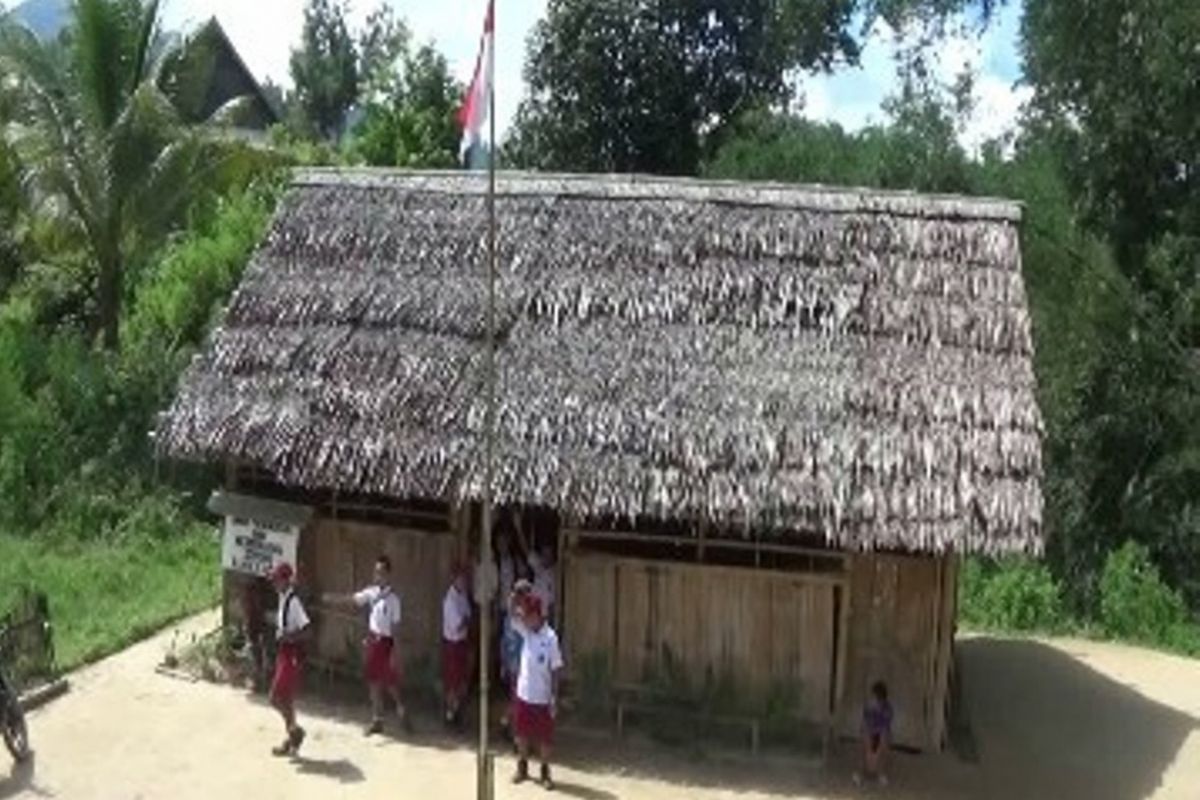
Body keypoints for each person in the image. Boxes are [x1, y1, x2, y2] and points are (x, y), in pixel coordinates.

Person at [323, 555, 408, 735]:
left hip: (386, 643)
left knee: (390, 682)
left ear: (388, 574)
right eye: (376, 572)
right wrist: (332, 599)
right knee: (373, 681)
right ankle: (377, 719)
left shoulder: (394, 600)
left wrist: (395, 652)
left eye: (381, 572)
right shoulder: (372, 593)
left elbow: (396, 628)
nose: (378, 575)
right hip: (373, 640)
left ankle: (402, 710)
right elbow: (353, 599)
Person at [509, 591, 564, 790]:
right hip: (524, 694)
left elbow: (556, 669)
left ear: (538, 615)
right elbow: (512, 615)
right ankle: (522, 768)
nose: (526, 620)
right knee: (521, 734)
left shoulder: (551, 638)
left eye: (529, 616)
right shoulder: (526, 631)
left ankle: (545, 772)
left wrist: (554, 696)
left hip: (542, 696)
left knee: (545, 738)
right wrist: (515, 597)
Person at [268, 562, 309, 757]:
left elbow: (307, 630)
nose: (274, 582)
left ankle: (294, 730)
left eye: (277, 579)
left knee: (275, 698)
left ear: (286, 580)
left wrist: (288, 637)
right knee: (286, 699)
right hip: (283, 652)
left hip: (291, 654)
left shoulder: (294, 602)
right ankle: (291, 739)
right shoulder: (283, 597)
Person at [498, 574, 534, 741]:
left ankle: (507, 724)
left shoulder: (514, 616)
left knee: (517, 699)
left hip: (517, 663)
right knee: (518, 700)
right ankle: (514, 733)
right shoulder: (516, 618)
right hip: (518, 664)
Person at [442, 564, 473, 728]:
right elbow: (460, 624)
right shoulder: (450, 600)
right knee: (453, 683)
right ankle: (449, 715)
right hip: (453, 645)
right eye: (460, 578)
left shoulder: (462, 595)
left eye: (465, 579)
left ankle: (457, 713)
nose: (463, 581)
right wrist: (467, 620)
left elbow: (468, 616)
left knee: (462, 681)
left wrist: (467, 620)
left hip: (462, 643)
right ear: (454, 579)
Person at [854, 681, 894, 787]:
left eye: (874, 696)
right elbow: (865, 723)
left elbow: (885, 726)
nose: (872, 698)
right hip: (870, 733)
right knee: (864, 736)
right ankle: (861, 772)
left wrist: (876, 751)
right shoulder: (868, 706)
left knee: (884, 738)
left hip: (880, 734)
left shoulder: (887, 708)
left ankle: (880, 772)